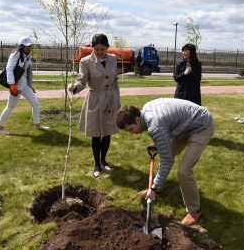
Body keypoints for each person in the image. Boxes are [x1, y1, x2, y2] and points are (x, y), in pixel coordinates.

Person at [116, 98, 215, 226]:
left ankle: (195, 210)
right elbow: (164, 128)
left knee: (184, 171)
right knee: (167, 152)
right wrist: (159, 142)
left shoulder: (154, 126)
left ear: (137, 119)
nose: (130, 133)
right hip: (184, 125)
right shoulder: (145, 110)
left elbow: (167, 160)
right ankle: (157, 188)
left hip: (201, 125)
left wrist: (152, 187)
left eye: (130, 129)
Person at [68, 33, 120, 178]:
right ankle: (97, 163)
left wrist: (117, 96)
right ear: (92, 48)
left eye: (102, 49)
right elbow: (82, 80)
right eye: (96, 49)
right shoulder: (86, 61)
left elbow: (115, 79)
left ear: (107, 48)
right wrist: (75, 88)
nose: (99, 52)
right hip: (95, 99)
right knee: (96, 133)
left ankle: (104, 159)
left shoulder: (113, 59)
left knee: (108, 131)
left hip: (110, 98)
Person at [0, 37, 49, 135]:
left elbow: (27, 71)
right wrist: (12, 85)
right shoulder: (15, 54)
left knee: (35, 104)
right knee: (10, 107)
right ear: (21, 46)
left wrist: (30, 85)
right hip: (17, 85)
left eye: (30, 46)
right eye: (26, 46)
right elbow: (9, 69)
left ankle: (37, 125)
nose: (28, 48)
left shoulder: (27, 56)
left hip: (24, 85)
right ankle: (0, 128)